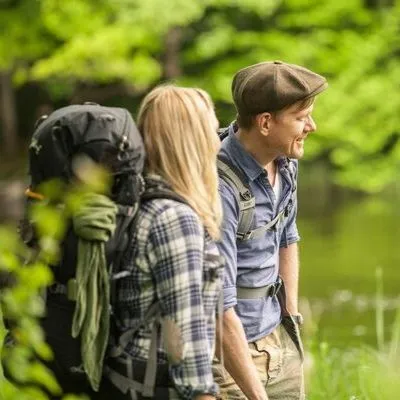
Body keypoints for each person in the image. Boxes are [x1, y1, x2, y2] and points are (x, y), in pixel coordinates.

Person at [99, 85, 224, 400]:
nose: (217, 140)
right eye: (211, 129)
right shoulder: (174, 219)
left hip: (124, 379)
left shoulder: (138, 202)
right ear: (192, 140)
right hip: (155, 387)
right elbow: (184, 334)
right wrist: (204, 395)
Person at [213, 61, 328, 400]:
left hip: (277, 336)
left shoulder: (286, 161)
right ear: (265, 122)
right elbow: (219, 308)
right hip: (228, 356)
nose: (313, 126)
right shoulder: (220, 189)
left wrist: (290, 317)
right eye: (301, 117)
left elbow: (287, 238)